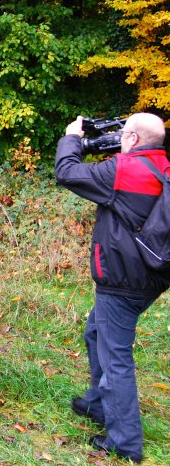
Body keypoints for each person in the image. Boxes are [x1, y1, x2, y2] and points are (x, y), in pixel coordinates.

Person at [55, 113, 170, 463]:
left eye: (123, 134)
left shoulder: (125, 169)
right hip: (151, 276)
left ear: (133, 138)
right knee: (96, 332)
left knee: (115, 357)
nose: (120, 138)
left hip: (123, 280)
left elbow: (67, 172)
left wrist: (72, 137)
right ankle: (97, 402)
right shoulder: (163, 167)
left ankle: (124, 441)